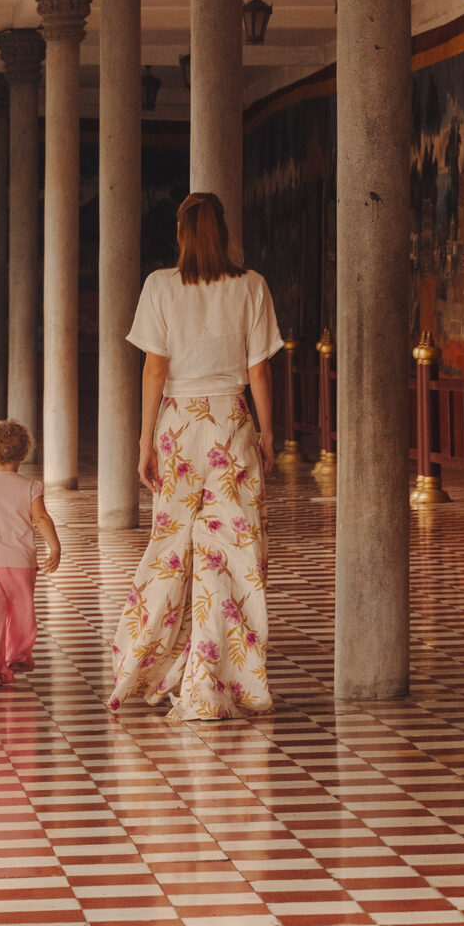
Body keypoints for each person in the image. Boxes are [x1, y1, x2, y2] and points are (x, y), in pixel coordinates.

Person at [109, 190, 283, 722]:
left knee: (171, 550)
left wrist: (143, 443)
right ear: (224, 231)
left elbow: (154, 370)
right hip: (232, 425)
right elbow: (259, 371)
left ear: (182, 233)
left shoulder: (160, 286)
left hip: (178, 428)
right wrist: (268, 435)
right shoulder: (251, 286)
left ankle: (152, 669)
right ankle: (221, 680)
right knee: (232, 556)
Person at [0, 419, 61, 691]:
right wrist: (54, 546)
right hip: (21, 564)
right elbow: (41, 518)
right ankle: (19, 654)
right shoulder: (30, 486)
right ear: (23, 454)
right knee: (22, 610)